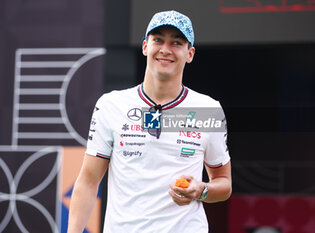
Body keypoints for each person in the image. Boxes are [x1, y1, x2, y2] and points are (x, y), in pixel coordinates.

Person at [67, 10, 232, 233]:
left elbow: (224, 183)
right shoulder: (111, 105)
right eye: (158, 40)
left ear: (190, 53)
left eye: (176, 42)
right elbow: (87, 182)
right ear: (145, 46)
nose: (165, 49)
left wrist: (201, 190)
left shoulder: (207, 109)